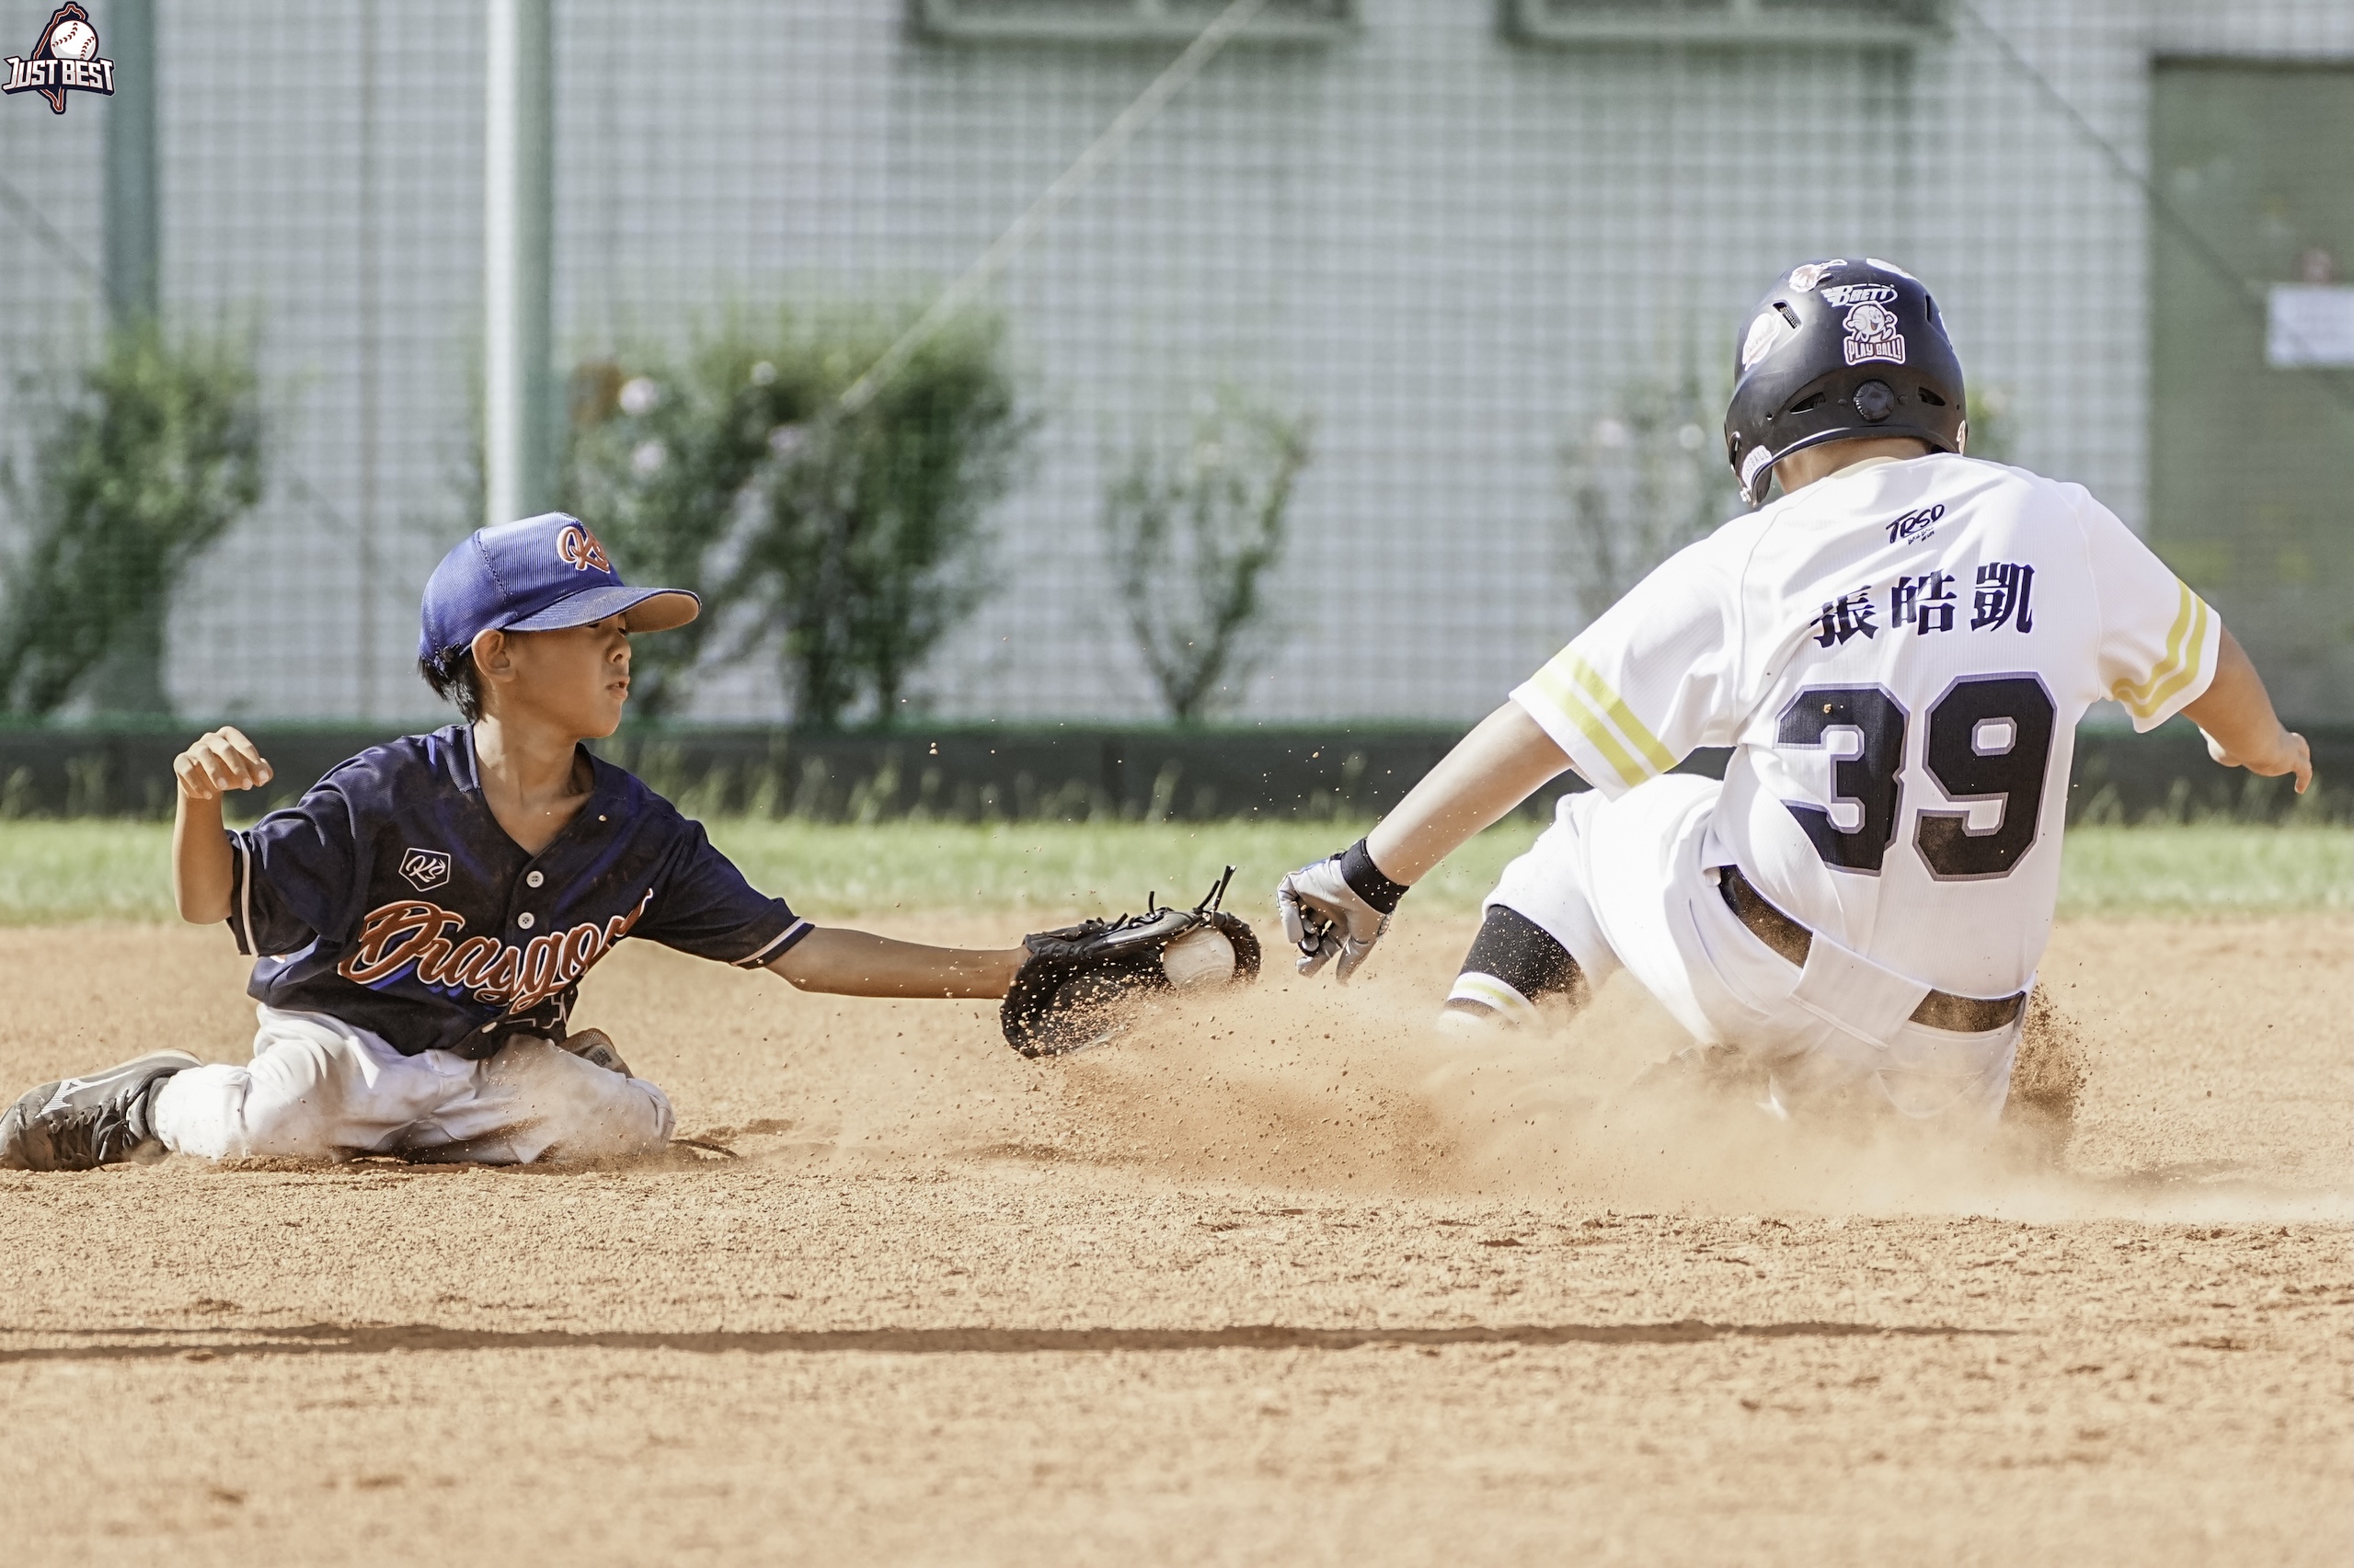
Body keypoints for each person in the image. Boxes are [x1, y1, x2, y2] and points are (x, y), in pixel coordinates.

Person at [1277, 258, 2312, 1123]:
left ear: (1764, 428)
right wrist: (2260, 744)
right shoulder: (2062, 524)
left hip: (1767, 971)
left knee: (1595, 831)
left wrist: (1370, 874)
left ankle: (1463, 1076)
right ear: (1945, 408)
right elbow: (2216, 668)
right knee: (1944, 1049)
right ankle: (1778, 1116)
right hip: (1961, 1050)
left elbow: (1546, 728)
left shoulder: (1754, 558)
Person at [1, 513, 1031, 1170]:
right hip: (340, 1047)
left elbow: (799, 951)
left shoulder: (638, 833)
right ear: (497, 654)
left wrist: (1009, 970)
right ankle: (150, 1096)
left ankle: (566, 1069)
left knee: (616, 1130)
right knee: (276, 1129)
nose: (620, 648)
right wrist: (194, 801)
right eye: (591, 627)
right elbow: (208, 897)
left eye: (624, 627)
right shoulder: (387, 794)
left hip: (491, 1060)